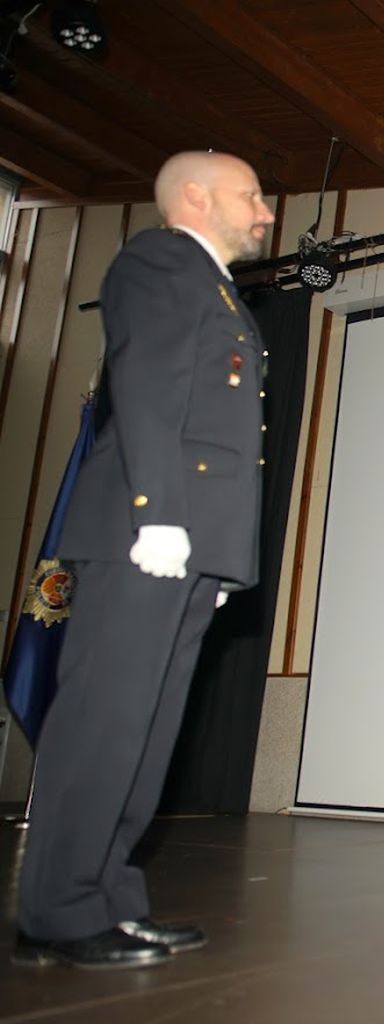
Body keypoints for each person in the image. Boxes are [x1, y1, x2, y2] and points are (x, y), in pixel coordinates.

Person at [12, 152, 275, 970]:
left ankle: (110, 900)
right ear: (195, 196)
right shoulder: (163, 261)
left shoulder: (220, 289)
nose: (265, 209)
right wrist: (157, 516)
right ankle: (56, 909)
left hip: (191, 543)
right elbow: (151, 388)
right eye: (251, 194)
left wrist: (218, 551)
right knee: (105, 723)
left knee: (149, 732)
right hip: (149, 534)